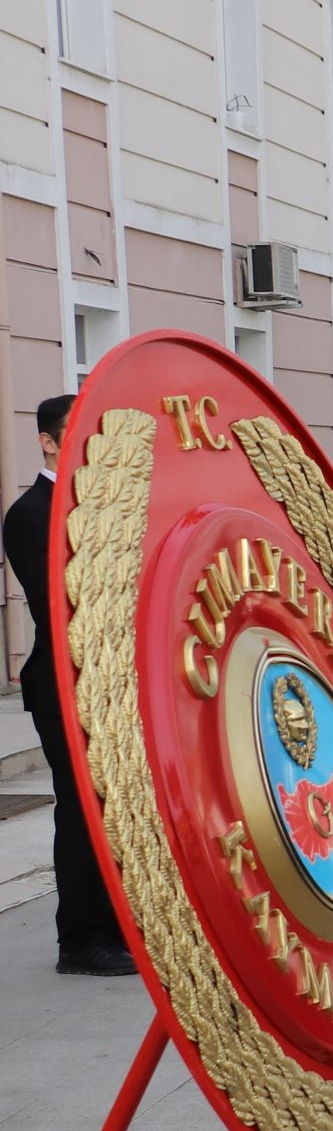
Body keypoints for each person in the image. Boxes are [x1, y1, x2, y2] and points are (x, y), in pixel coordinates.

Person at [3, 392, 130, 974]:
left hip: (112, 679)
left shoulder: (99, 502)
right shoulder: (31, 513)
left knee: (116, 806)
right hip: (65, 682)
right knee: (81, 805)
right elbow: (62, 600)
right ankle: (81, 941)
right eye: (75, 434)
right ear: (48, 442)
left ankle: (118, 925)